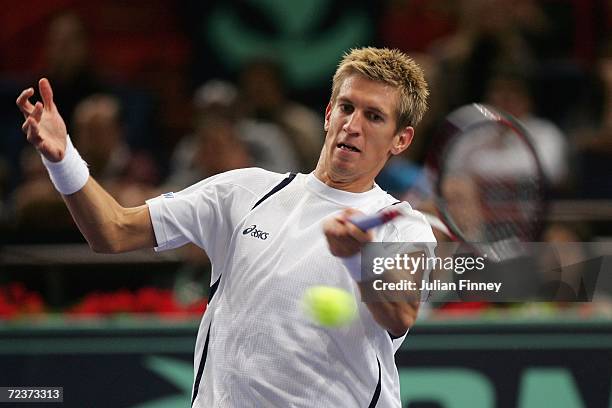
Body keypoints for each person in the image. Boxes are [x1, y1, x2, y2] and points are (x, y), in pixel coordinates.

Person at [17, 47, 435, 407]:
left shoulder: (403, 226)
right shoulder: (242, 191)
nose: (353, 124)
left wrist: (360, 258)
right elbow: (112, 231)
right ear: (328, 114)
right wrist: (62, 158)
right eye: (346, 107)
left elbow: (400, 314)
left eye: (375, 116)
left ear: (401, 140)